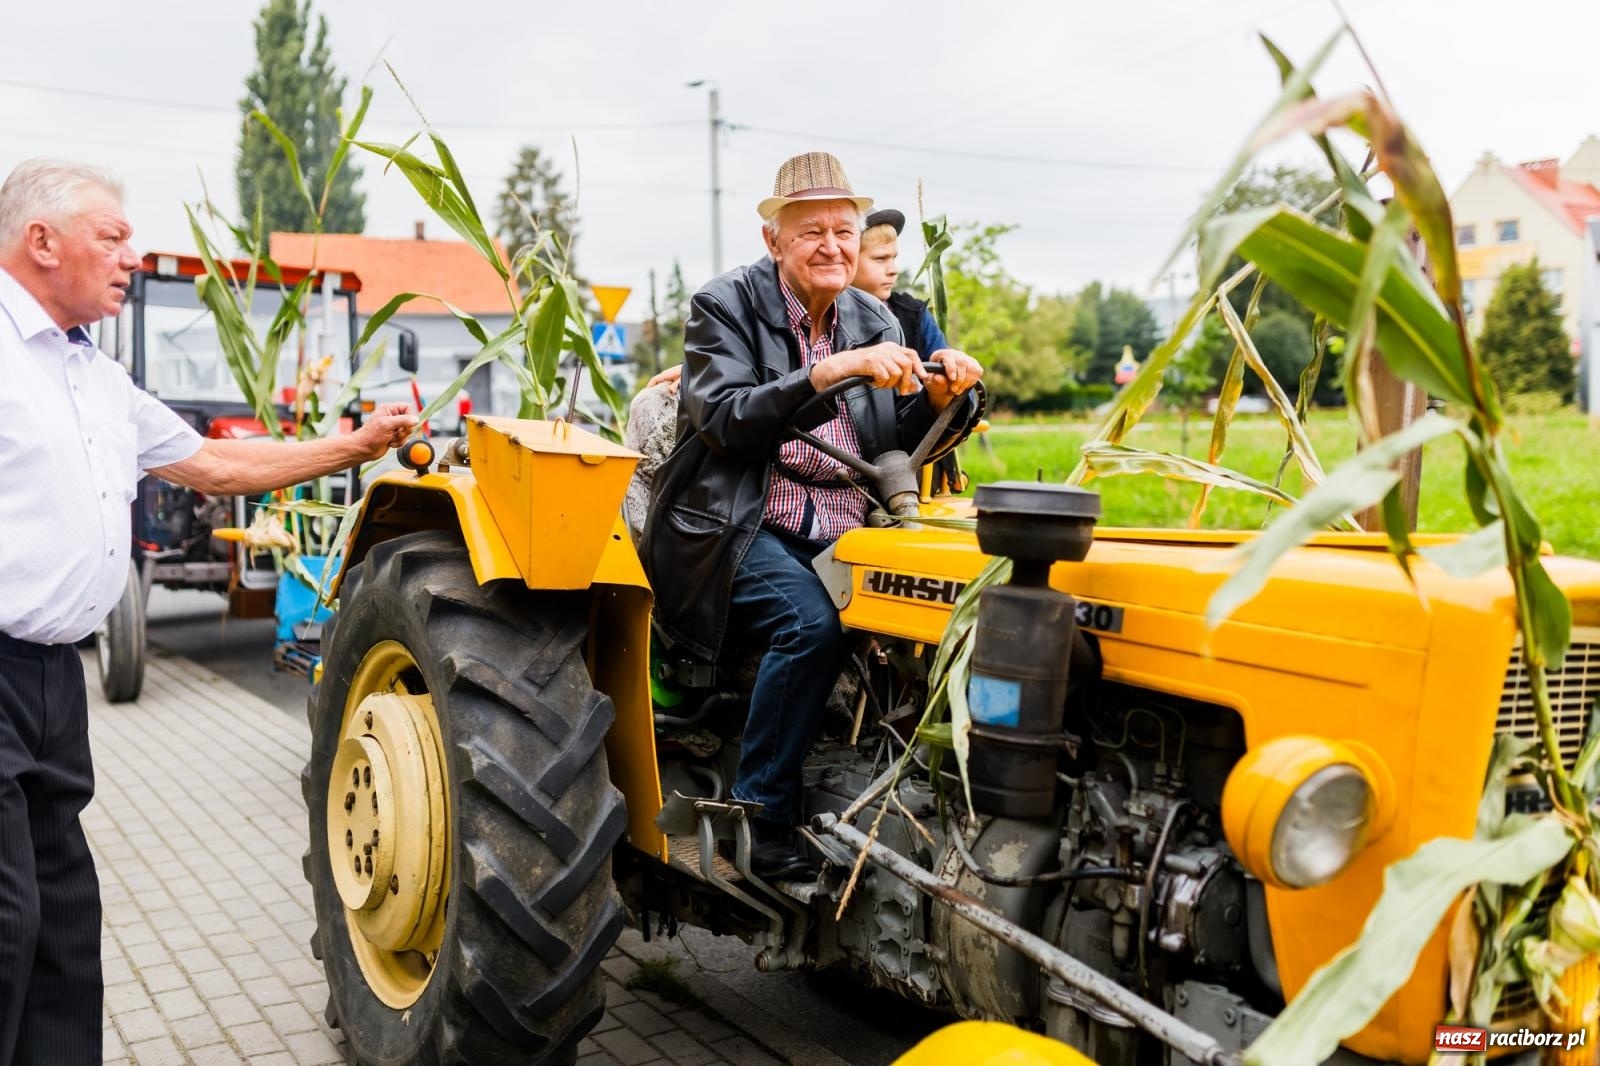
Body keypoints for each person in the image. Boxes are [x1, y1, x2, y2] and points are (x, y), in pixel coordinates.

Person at [0, 158, 417, 1066]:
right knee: (6, 919)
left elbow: (217, 468)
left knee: (66, 916)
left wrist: (354, 444)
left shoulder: (95, 375)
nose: (128, 253)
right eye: (110, 236)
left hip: (52, 682)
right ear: (40, 242)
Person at [640, 152, 984, 878]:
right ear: (775, 242)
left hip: (844, 521)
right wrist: (826, 372)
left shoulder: (873, 315)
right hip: (738, 523)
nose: (833, 246)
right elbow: (725, 421)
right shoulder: (723, 306)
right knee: (809, 624)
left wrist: (945, 398)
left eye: (844, 231)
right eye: (812, 232)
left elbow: (893, 438)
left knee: (950, 608)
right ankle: (759, 822)